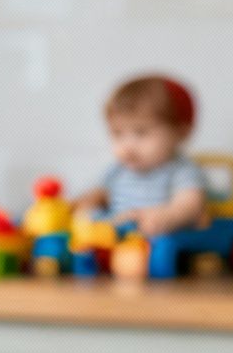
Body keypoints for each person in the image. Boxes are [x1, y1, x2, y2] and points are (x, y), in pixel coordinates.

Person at [72, 74, 208, 237]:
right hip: (115, 238)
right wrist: (84, 204)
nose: (127, 146)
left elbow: (189, 205)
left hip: (155, 240)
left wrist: (169, 216)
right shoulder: (118, 170)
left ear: (181, 132)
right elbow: (99, 194)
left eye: (141, 132)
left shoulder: (181, 170)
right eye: (117, 134)